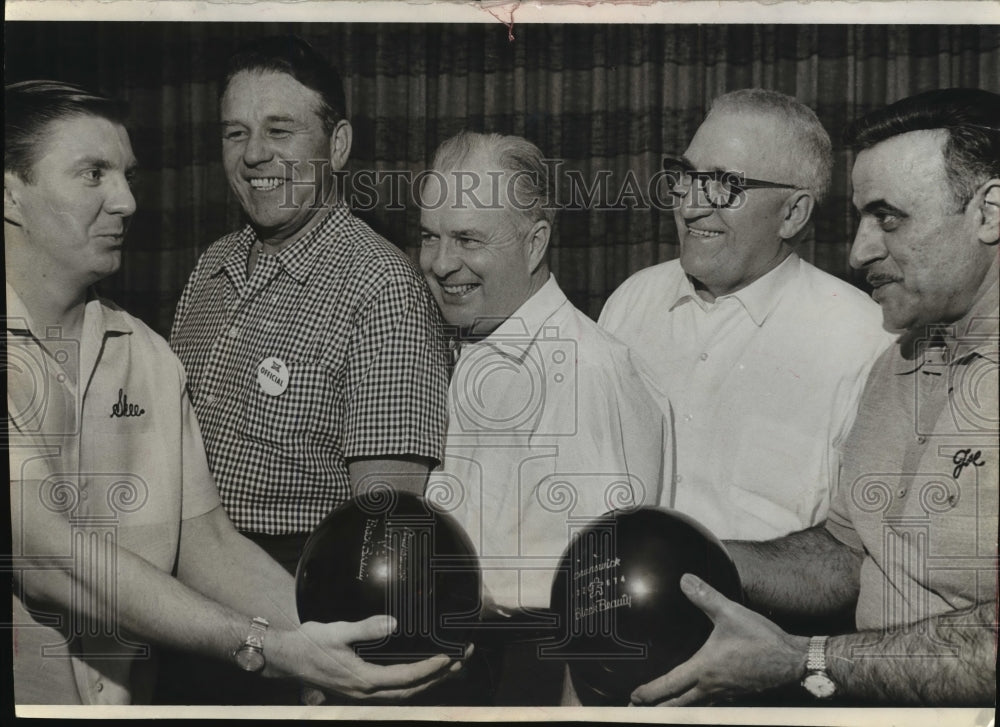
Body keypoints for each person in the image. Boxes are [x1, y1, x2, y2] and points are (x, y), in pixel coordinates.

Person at [4, 80, 461, 705]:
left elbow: (202, 540)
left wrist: (341, 650)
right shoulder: (211, 273)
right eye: (93, 174)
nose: (128, 200)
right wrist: (268, 648)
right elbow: (47, 558)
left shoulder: (146, 355)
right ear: (9, 190)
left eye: (127, 174)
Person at [629, 88, 999, 707]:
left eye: (890, 218)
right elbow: (848, 555)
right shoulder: (897, 365)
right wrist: (681, 562)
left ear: (990, 212)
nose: (859, 252)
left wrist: (806, 660)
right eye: (860, 219)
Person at [170, 35, 448, 574]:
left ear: (337, 145)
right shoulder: (212, 266)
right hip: (180, 587)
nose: (254, 155)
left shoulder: (381, 287)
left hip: (296, 591)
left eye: (279, 130)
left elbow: (382, 528)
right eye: (236, 133)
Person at [418, 131, 671, 703]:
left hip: (531, 675)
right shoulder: (471, 345)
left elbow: (597, 606)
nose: (439, 263)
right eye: (429, 237)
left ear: (535, 245)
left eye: (467, 239)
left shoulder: (582, 371)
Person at [599, 89, 895, 542]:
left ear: (793, 214)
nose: (690, 206)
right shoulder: (631, 300)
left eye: (724, 185)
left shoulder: (864, 342)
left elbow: (857, 553)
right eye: (686, 176)